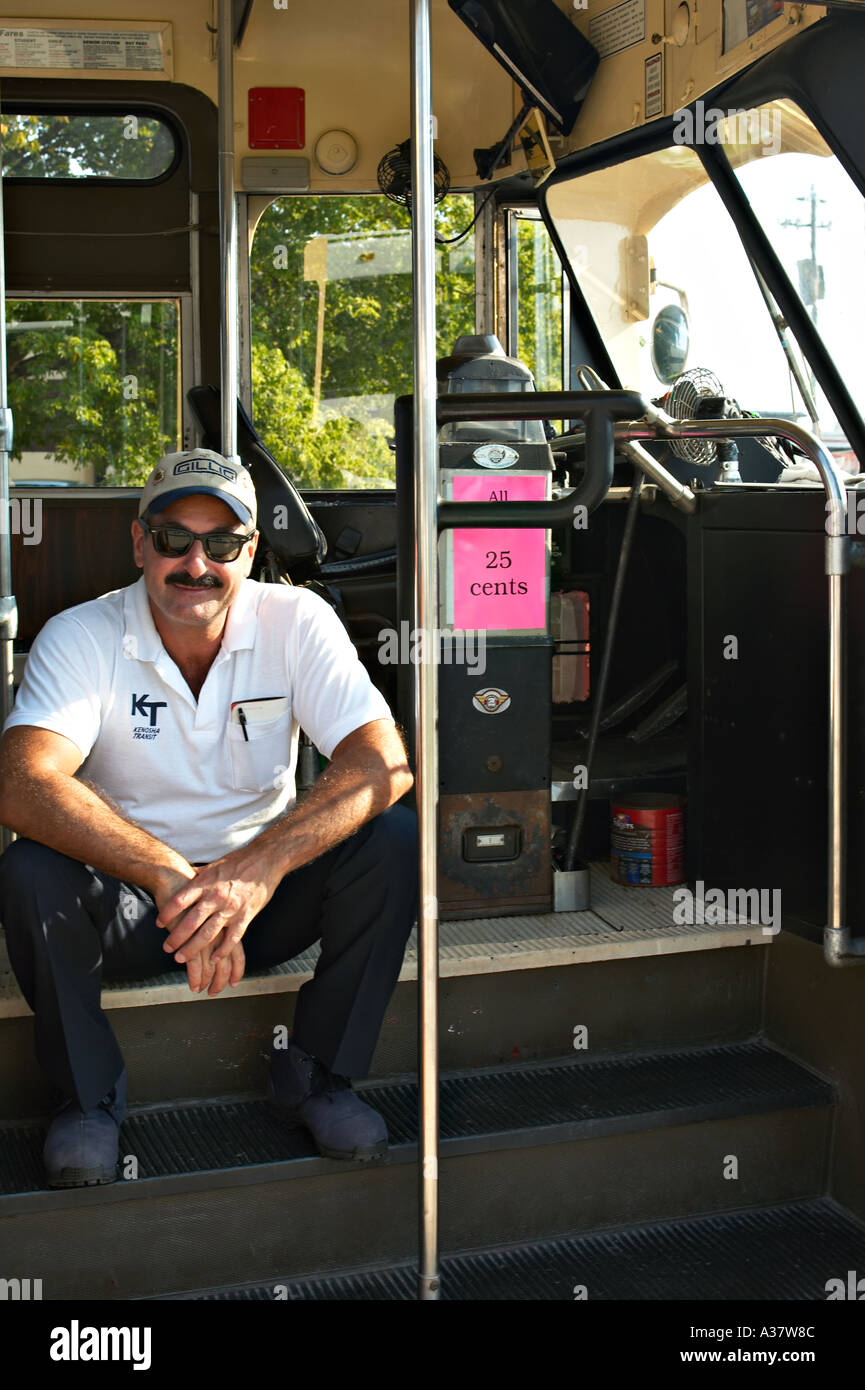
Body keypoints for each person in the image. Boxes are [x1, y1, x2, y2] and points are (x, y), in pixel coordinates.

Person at [0, 449, 417, 1188]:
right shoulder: (81, 633)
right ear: (139, 543)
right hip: (129, 908)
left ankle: (319, 1076)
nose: (197, 563)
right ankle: (87, 1100)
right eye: (173, 538)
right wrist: (168, 876)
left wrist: (252, 873)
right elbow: (22, 783)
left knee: (392, 837)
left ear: (249, 552)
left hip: (260, 907)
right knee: (30, 869)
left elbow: (381, 764)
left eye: (222, 543)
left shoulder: (296, 619)